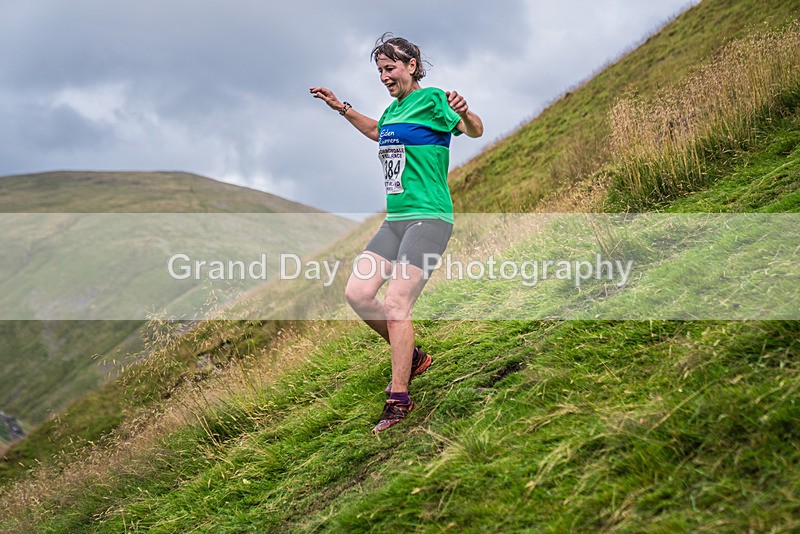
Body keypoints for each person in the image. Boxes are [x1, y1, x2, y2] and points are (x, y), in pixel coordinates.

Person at [310, 33, 483, 433]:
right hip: (396, 221)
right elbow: (376, 131)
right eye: (380, 71)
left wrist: (467, 113)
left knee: (395, 304)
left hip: (430, 218)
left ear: (411, 66)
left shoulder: (434, 99)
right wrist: (342, 108)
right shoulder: (393, 111)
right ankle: (414, 357)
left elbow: (473, 130)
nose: (385, 77)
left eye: (390, 69)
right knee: (357, 293)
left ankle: (399, 399)